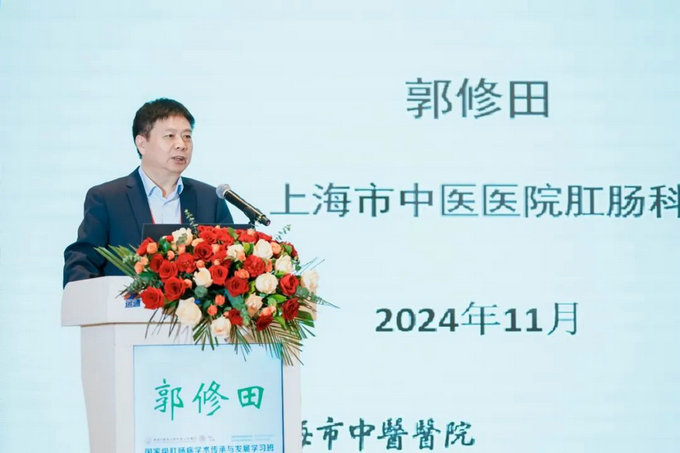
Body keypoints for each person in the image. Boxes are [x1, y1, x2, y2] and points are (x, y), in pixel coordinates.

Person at [63, 98, 233, 287]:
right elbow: (82, 261)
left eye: (187, 136)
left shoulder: (210, 199)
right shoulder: (108, 198)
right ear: (142, 144)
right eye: (170, 136)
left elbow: (231, 263)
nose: (181, 145)